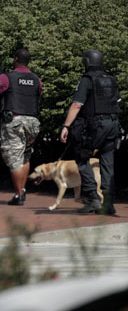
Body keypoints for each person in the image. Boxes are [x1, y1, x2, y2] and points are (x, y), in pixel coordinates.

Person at [60, 50, 121, 214]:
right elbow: (117, 101)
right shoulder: (111, 80)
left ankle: (93, 199)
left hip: (96, 127)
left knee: (82, 157)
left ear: (87, 62)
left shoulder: (87, 80)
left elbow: (77, 105)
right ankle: (108, 204)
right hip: (113, 125)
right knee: (107, 164)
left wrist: (66, 126)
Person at [0, 48, 41, 205]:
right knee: (25, 155)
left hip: (15, 121)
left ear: (16, 59)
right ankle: (22, 191)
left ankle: (18, 195)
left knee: (14, 157)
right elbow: (38, 97)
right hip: (33, 121)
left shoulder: (7, 77)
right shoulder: (36, 79)